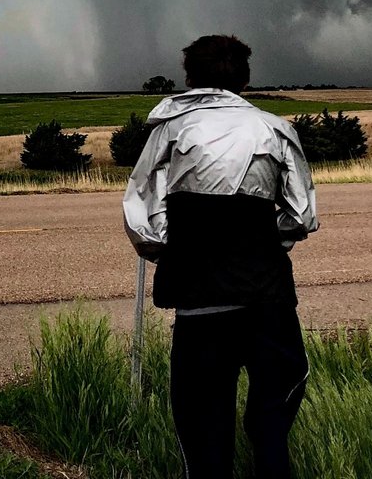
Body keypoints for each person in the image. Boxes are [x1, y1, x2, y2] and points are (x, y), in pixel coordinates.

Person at [123, 34, 318, 479]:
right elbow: (301, 215)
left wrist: (181, 249)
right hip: (269, 300)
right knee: (274, 419)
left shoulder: (169, 130)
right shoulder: (276, 129)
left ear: (189, 77)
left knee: (203, 427)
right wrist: (260, 240)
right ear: (245, 80)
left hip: (200, 302)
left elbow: (141, 214)